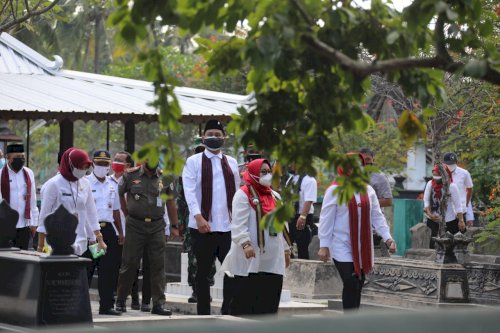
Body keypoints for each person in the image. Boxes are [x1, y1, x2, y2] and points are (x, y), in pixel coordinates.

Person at [318, 153, 396, 311]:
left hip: (362, 246)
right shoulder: (335, 190)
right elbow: (326, 219)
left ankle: (353, 319)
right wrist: (323, 245)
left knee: (359, 283)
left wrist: (388, 238)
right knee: (351, 280)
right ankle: (349, 321)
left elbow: (377, 216)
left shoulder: (368, 190)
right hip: (340, 244)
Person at [182, 119, 240, 315]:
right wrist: (198, 217)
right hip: (202, 226)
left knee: (231, 270)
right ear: (203, 137)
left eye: (218, 134)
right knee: (203, 273)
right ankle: (204, 313)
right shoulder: (193, 161)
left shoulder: (231, 162)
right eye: (210, 134)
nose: (214, 137)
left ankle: (228, 310)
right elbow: (189, 192)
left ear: (224, 138)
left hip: (227, 226)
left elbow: (238, 193)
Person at [221, 158, 290, 315]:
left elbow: (282, 225)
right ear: (252, 173)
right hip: (250, 255)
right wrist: (245, 243)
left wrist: (286, 250)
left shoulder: (275, 196)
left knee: (269, 302)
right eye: (262, 172)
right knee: (246, 301)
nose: (267, 175)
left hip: (273, 256)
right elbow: (238, 224)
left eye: (268, 171)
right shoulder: (243, 194)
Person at [115, 158, 178, 316]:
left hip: (157, 225)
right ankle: (121, 300)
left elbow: (171, 202)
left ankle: (158, 304)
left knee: (158, 265)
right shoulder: (130, 175)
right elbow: (119, 194)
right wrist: (127, 212)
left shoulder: (166, 178)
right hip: (135, 225)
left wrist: (175, 226)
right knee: (129, 263)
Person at [37, 148, 107, 256]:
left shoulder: (85, 183)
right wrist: (40, 245)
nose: (83, 170)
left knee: (80, 271)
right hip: (56, 242)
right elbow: (44, 215)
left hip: (80, 240)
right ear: (70, 164)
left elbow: (91, 212)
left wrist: (99, 238)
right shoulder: (54, 184)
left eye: (86, 167)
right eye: (80, 166)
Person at [177, 138, 216, 304]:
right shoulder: (186, 174)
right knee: (194, 257)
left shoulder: (217, 173)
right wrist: (180, 222)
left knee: (210, 258)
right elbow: (181, 201)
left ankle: (205, 288)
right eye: (198, 151)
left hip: (213, 222)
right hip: (191, 223)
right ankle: (196, 290)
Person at [85, 150, 124, 316]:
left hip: (107, 230)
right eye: (99, 163)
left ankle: (106, 305)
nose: (102, 167)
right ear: (93, 164)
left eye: (105, 164)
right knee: (87, 268)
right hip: (90, 231)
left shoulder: (112, 185)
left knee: (108, 270)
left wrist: (121, 232)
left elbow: (116, 211)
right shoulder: (85, 182)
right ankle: (80, 305)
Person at [0, 144, 39, 250]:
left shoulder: (28, 173)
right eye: (16, 157)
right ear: (8, 158)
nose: (20, 160)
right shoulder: (0, 175)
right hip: (5, 226)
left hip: (24, 225)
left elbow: (33, 200)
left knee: (23, 259)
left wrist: (34, 223)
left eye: (22, 157)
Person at [423, 164, 465, 248]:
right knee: (433, 245)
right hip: (433, 221)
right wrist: (430, 215)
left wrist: (461, 220)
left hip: (449, 221)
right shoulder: (430, 184)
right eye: (434, 175)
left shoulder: (452, 187)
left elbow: (458, 206)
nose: (435, 178)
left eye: (437, 175)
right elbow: (426, 201)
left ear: (444, 175)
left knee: (449, 247)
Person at [286, 164, 317, 259]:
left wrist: (303, 217)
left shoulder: (309, 179)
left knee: (303, 248)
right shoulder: (291, 179)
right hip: (291, 216)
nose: (290, 165)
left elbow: (309, 200)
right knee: (287, 246)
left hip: (303, 216)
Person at [443, 152, 474, 227]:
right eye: (448, 164)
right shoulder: (441, 174)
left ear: (456, 162)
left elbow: (469, 189)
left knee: (460, 235)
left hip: (461, 210)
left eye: (452, 164)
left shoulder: (464, 173)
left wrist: (466, 205)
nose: (450, 167)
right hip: (447, 211)